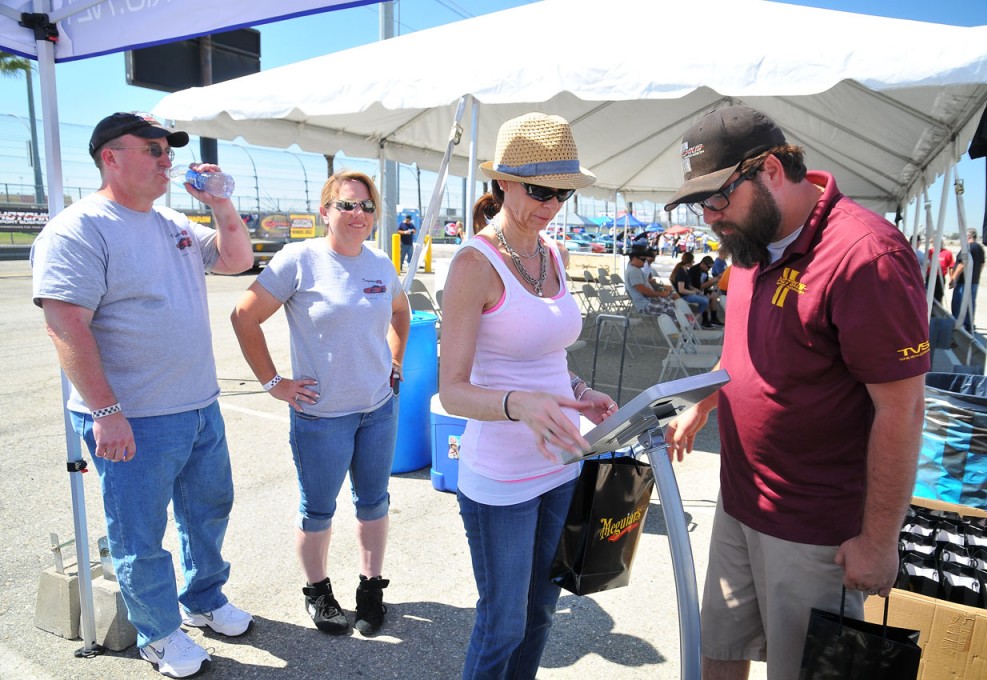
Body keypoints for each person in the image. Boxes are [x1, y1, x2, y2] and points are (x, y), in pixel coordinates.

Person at [661, 105, 929, 680]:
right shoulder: (754, 244)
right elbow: (745, 351)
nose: (709, 217)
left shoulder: (865, 255)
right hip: (740, 501)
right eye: (697, 204)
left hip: (814, 528)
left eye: (717, 198)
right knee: (719, 653)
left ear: (771, 172)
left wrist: (880, 540)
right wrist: (704, 402)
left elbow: (901, 408)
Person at [30, 112, 254, 679]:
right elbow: (66, 326)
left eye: (167, 151)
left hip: (198, 406)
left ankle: (203, 598)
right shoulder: (78, 229)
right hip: (134, 417)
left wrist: (222, 205)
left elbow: (236, 260)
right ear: (110, 156)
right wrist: (106, 412)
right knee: (139, 531)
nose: (165, 160)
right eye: (152, 149)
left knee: (208, 510)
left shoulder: (170, 221)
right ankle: (159, 633)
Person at [438, 112, 617, 680]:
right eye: (540, 190)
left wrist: (581, 393)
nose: (552, 203)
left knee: (541, 612)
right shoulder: (473, 264)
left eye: (562, 192)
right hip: (500, 477)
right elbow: (453, 392)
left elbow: (550, 359)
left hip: (559, 463)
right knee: (503, 624)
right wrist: (521, 404)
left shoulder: (553, 253)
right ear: (503, 184)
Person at [231, 170, 410, 637]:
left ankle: (371, 588)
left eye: (367, 207)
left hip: (377, 409)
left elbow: (400, 311)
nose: (358, 215)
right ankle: (319, 591)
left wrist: (395, 360)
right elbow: (244, 316)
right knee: (319, 510)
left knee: (374, 502)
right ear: (325, 211)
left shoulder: (378, 262)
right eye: (347, 205)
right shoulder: (299, 259)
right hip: (322, 416)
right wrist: (275, 382)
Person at [949, 227, 985, 332]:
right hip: (974, 281)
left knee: (958, 304)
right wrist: (977, 275)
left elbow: (962, 263)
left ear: (968, 236)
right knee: (971, 303)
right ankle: (969, 324)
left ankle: (958, 326)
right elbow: (982, 264)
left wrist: (953, 278)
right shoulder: (980, 248)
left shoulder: (967, 247)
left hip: (963, 282)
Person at [624, 244, 677, 316]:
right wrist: (660, 294)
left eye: (645, 259)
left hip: (647, 301)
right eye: (643, 259)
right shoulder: (634, 271)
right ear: (634, 259)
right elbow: (644, 291)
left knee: (675, 303)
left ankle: (682, 325)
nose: (645, 262)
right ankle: (684, 326)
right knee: (676, 309)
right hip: (645, 305)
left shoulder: (634, 269)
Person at [669, 251, 710, 318]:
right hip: (683, 296)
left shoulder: (685, 270)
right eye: (693, 261)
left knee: (705, 298)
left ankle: (693, 316)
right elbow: (681, 290)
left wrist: (695, 289)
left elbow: (687, 285)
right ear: (689, 262)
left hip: (686, 294)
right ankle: (694, 318)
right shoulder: (681, 272)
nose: (693, 262)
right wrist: (692, 292)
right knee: (705, 301)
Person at [689, 255, 725, 327]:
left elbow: (705, 286)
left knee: (714, 296)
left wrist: (713, 284)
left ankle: (713, 318)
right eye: (708, 267)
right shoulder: (694, 270)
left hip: (701, 290)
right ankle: (705, 320)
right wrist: (711, 282)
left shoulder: (705, 271)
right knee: (707, 297)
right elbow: (697, 286)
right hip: (693, 291)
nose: (709, 269)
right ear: (702, 264)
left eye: (710, 267)